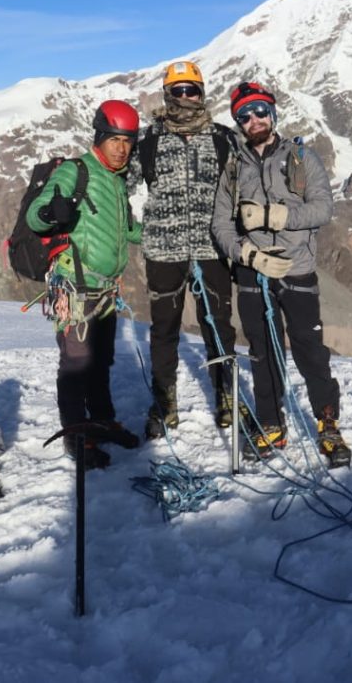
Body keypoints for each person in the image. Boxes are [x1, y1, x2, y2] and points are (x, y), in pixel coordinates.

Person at [211, 81, 351, 468]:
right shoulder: (234, 167)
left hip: (297, 270)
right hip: (252, 274)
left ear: (272, 114)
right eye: (244, 115)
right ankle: (271, 424)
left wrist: (277, 217)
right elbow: (221, 224)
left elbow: (323, 208)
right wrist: (246, 253)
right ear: (238, 122)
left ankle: (327, 423)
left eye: (259, 111)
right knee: (261, 352)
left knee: (310, 350)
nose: (253, 119)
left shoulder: (302, 157)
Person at [126, 60, 243, 439]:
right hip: (163, 247)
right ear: (167, 94)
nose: (185, 97)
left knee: (219, 325)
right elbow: (120, 188)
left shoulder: (225, 138)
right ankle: (164, 400)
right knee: (164, 329)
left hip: (212, 247)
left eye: (191, 89)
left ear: (202, 92)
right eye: (178, 91)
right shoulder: (148, 140)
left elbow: (245, 190)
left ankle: (227, 394)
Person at [26, 99, 142, 470]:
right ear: (100, 136)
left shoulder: (115, 179)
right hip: (74, 286)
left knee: (100, 360)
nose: (122, 148)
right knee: (76, 363)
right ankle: (77, 435)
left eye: (128, 141)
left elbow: (127, 230)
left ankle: (102, 421)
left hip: (105, 290)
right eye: (115, 140)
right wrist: (50, 213)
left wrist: (161, 235)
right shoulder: (75, 172)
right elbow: (35, 216)